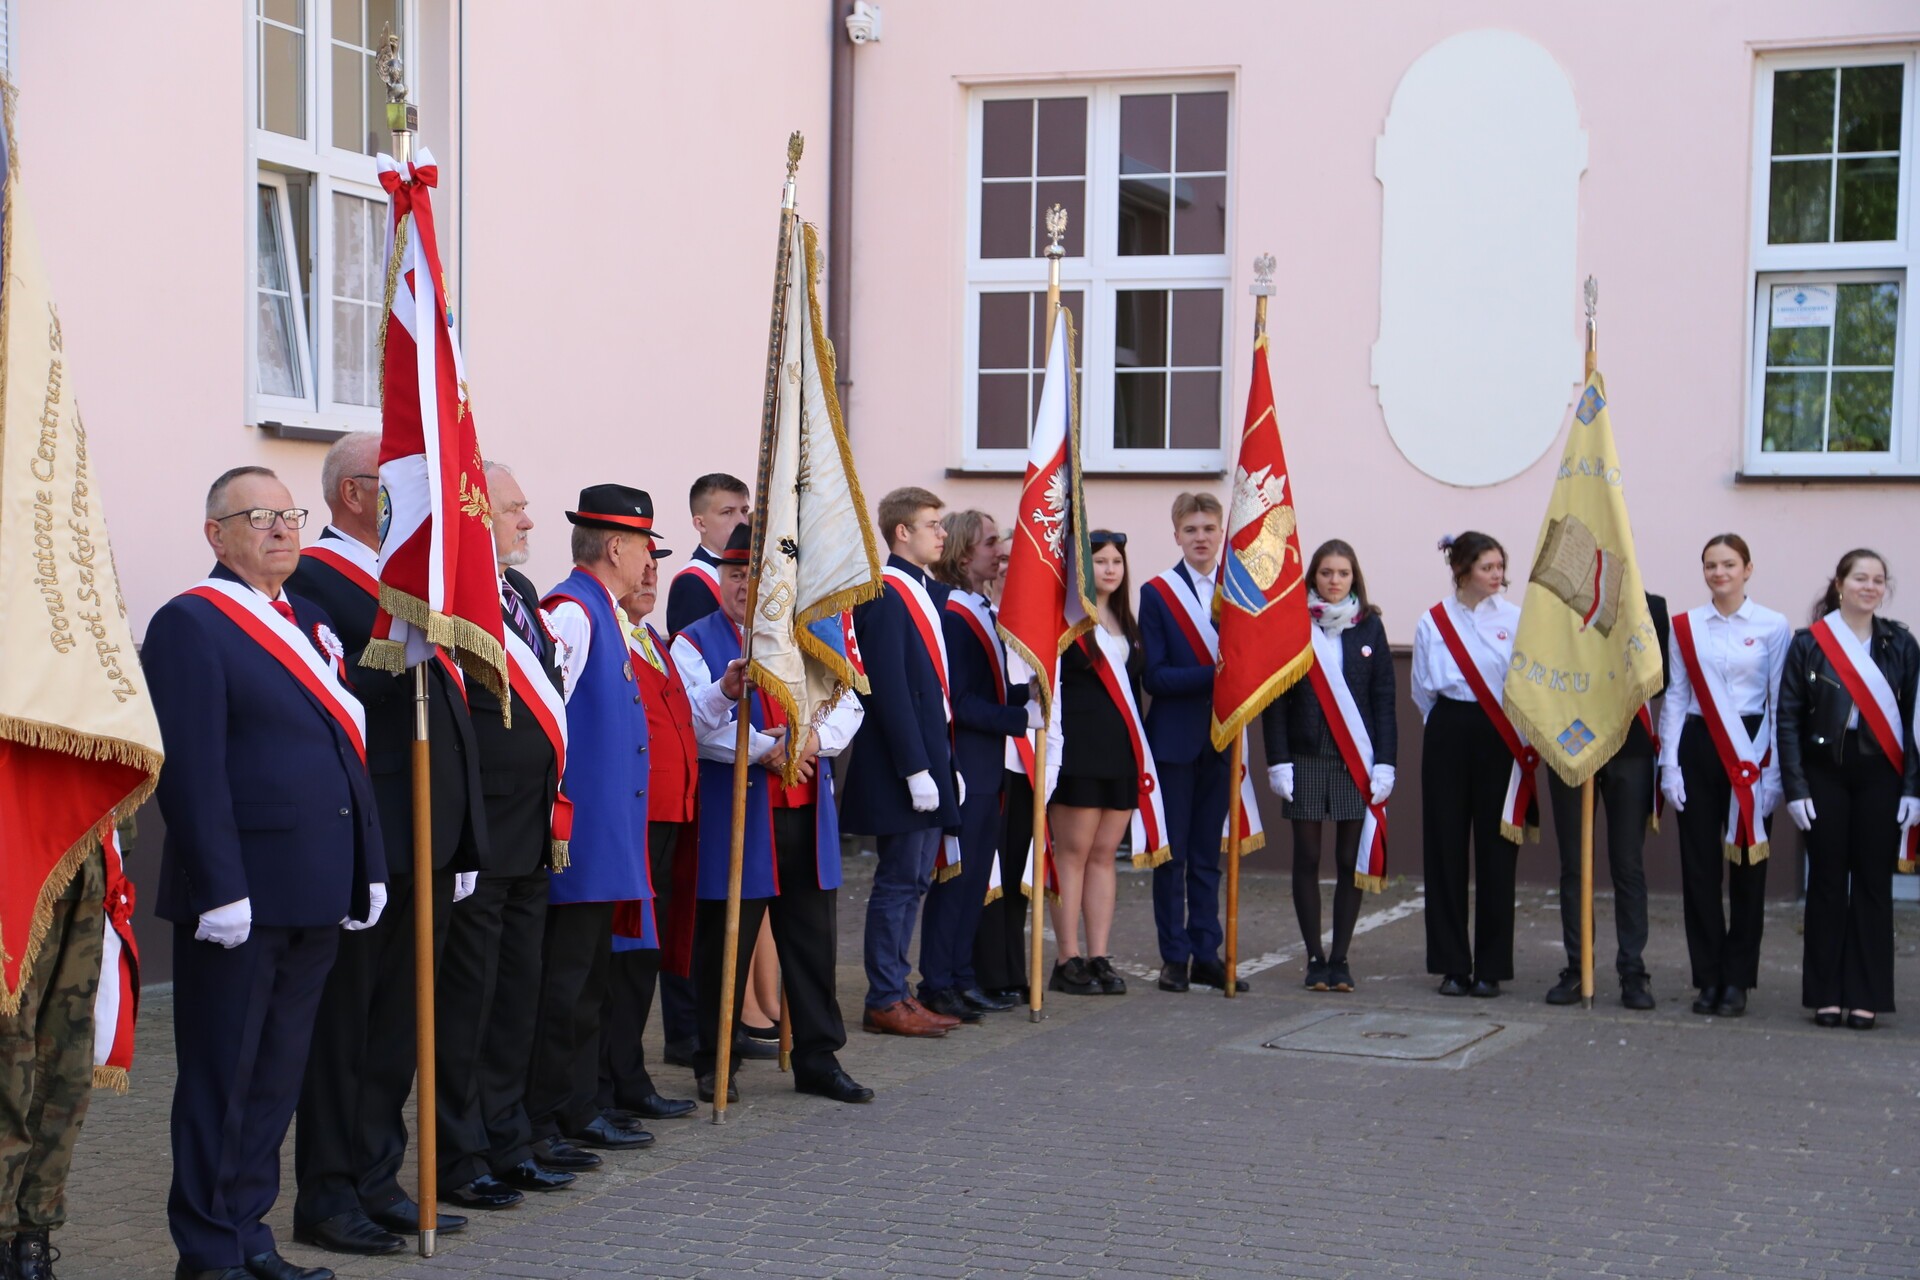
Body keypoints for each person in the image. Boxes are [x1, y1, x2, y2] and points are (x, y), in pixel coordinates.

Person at [146, 465, 385, 1280]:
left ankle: (249, 1235)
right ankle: (209, 1253)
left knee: (276, 1078)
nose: (282, 530)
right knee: (224, 1079)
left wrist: (368, 866)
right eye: (259, 517)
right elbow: (191, 770)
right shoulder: (191, 622)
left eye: (290, 516)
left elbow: (348, 751)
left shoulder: (309, 618)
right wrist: (220, 888)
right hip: (240, 896)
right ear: (216, 535)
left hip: (316, 885)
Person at [288, 433, 485, 1256]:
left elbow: (453, 715)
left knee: (401, 1024)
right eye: (402, 483)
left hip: (428, 838)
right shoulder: (312, 580)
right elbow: (336, 701)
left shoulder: (412, 580)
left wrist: (464, 836)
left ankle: (377, 1176)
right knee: (347, 1026)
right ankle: (327, 1192)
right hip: (367, 839)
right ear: (355, 494)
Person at [671, 525, 874, 1104]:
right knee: (724, 945)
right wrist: (769, 750)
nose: (745, 586)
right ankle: (716, 1060)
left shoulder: (809, 634)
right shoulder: (693, 642)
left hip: (805, 811)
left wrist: (810, 743)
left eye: (756, 575)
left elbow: (849, 704)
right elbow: (693, 725)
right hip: (739, 813)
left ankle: (818, 1057)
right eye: (735, 574)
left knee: (812, 943)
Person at [434, 462, 580, 1211]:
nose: (527, 521)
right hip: (480, 830)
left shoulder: (516, 591)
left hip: (533, 825)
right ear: (473, 511)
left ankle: (507, 1138)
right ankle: (458, 1158)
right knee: (470, 999)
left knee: (518, 992)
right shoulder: (448, 595)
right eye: (513, 508)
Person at [526, 485, 672, 1165]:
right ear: (616, 547)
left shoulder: (602, 612)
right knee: (565, 987)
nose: (650, 562)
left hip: (605, 836)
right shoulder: (573, 613)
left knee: (588, 985)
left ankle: (579, 1107)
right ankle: (550, 1116)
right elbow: (546, 719)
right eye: (645, 547)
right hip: (577, 839)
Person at [840, 486, 964, 1038]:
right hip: (900, 767)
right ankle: (884, 997)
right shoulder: (887, 594)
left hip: (928, 760)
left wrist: (944, 764)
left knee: (915, 879)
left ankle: (898, 989)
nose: (942, 533)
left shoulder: (920, 590)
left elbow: (931, 690)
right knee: (898, 881)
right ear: (902, 532)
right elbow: (889, 689)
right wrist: (917, 769)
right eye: (932, 524)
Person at [1778, 549, 1920, 1031]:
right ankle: (1825, 994)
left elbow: (1914, 723)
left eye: (1878, 580)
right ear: (1840, 584)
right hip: (1824, 774)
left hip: (1882, 774)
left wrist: (1913, 788)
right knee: (1826, 882)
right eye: (1861, 578)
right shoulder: (1809, 643)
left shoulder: (1901, 644)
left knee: (1874, 885)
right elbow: (1788, 718)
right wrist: (1795, 786)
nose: (1870, 587)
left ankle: (1867, 996)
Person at [1658, 535, 1789, 1019]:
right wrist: (1669, 764)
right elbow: (1675, 696)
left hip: (1751, 750)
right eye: (1711, 565)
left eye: (1729, 564)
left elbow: (1779, 701)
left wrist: (1773, 773)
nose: (1719, 573)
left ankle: (1738, 980)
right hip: (1697, 745)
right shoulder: (1686, 626)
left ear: (1747, 569)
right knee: (1699, 869)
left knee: (1749, 869)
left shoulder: (1773, 625)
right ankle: (1708, 977)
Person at [1261, 539, 1396, 995]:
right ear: (1313, 577)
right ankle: (1314, 958)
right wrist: (1278, 760)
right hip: (1304, 758)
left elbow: (1384, 701)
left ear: (1354, 577)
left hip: (1354, 759)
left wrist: (1386, 763)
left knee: (1347, 859)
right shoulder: (1293, 624)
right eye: (1326, 573)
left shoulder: (1370, 626)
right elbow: (1276, 701)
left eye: (1342, 573)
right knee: (1307, 857)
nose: (1334, 581)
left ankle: (1340, 958)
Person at [597, 556, 699, 1124]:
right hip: (634, 817)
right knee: (623, 954)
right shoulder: (602, 631)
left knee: (644, 955)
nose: (651, 576)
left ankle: (628, 1075)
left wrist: (722, 693)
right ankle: (608, 1082)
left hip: (669, 815)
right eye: (643, 564)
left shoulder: (654, 639)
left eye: (657, 566)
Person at [1413, 532, 1529, 999]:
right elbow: (1422, 688)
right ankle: (1452, 965)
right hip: (1448, 729)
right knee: (1444, 847)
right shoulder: (1432, 620)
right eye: (1487, 567)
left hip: (1500, 733)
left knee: (1497, 850)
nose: (1497, 575)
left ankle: (1491, 967)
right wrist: (1447, 728)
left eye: (1500, 566)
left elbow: (1525, 681)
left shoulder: (1516, 619)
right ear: (1461, 570)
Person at [921, 510, 1027, 1021]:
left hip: (989, 767)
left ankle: (962, 978)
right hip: (966, 766)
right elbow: (959, 701)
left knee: (977, 877)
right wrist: (1018, 717)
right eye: (990, 542)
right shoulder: (954, 614)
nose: (1000, 550)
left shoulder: (981, 608)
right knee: (957, 880)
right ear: (964, 555)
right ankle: (938, 982)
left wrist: (1029, 695)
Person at [1543, 590, 1669, 1011]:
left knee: (1628, 863)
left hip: (1629, 744)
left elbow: (1661, 679)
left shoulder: (1650, 605)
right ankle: (1578, 967)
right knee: (1574, 863)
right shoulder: (1558, 603)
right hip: (1571, 739)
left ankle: (1633, 970)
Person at [1137, 493, 1242, 994]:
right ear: (1176, 534)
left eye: (1209, 528)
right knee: (1172, 855)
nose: (1201, 537)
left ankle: (1207, 951)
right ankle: (1174, 956)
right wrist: (1217, 675)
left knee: (1206, 856)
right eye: (1191, 529)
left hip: (1223, 738)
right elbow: (1156, 676)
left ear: (1221, 532)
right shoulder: (1157, 593)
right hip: (1174, 742)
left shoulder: (1239, 591)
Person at [1047, 530, 1154, 997]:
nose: (1110, 569)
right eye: (1100, 562)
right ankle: (1066, 958)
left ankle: (1099, 956)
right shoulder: (1067, 619)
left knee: (1105, 855)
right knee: (1072, 854)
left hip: (1122, 753)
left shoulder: (1127, 620)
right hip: (1078, 754)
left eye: (1116, 562)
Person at [665, 473, 752, 637]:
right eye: (727, 512)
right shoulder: (691, 582)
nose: (741, 521)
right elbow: (694, 645)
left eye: (744, 511)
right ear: (700, 524)